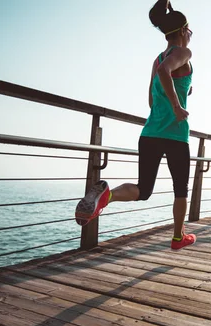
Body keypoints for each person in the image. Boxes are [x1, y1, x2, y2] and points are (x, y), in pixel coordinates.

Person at [75, 0, 196, 250]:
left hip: (150, 133)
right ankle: (177, 237)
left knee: (144, 189)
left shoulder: (158, 58)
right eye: (190, 31)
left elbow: (152, 98)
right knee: (181, 190)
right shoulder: (183, 53)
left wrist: (179, 94)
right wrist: (176, 105)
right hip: (176, 135)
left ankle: (107, 195)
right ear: (183, 31)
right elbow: (165, 72)